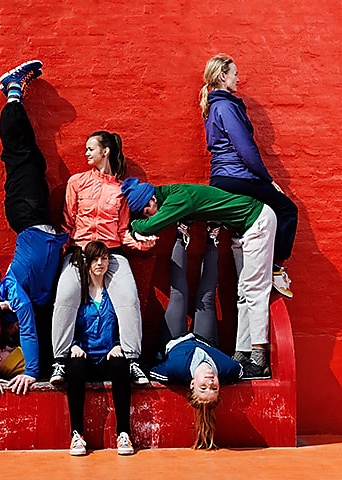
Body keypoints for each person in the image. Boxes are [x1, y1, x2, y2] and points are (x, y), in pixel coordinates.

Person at [121, 178, 276, 378]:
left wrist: (135, 225)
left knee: (255, 290)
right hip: (243, 229)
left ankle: (258, 357)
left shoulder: (177, 198)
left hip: (256, 222)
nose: (148, 214)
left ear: (151, 199)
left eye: (146, 210)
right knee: (244, 293)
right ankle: (243, 353)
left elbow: (150, 227)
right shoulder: (174, 195)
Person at [49, 110, 155, 386]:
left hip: (112, 253)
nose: (86, 153)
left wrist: (142, 243)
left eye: (90, 149)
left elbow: (122, 232)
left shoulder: (121, 191)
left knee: (129, 298)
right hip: (81, 253)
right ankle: (60, 361)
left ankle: (132, 361)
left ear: (105, 152)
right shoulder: (77, 183)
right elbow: (67, 222)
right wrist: (59, 254)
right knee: (65, 297)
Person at [0, 60, 69, 394]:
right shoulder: (35, 297)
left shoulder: (14, 290)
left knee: (20, 155)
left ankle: (12, 92)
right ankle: (12, 95)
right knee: (34, 160)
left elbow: (25, 324)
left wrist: (33, 371)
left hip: (26, 215)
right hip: (38, 217)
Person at [200, 53, 298, 299]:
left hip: (223, 176)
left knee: (247, 225)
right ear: (223, 76)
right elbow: (245, 149)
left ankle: (252, 277)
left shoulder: (216, 106)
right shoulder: (226, 106)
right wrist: (267, 180)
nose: (239, 79)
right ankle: (276, 268)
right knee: (287, 210)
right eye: (235, 74)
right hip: (236, 177)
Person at [148, 220, 243, 449]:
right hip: (206, 340)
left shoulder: (175, 371)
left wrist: (163, 357)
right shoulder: (227, 369)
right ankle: (212, 237)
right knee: (207, 296)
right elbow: (240, 371)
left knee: (179, 294)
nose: (210, 382)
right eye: (215, 388)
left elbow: (151, 369)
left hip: (174, 340)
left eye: (203, 387)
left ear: (191, 384)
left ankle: (182, 235)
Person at [65, 241, 134, 456]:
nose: (100, 263)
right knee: (74, 367)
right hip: (84, 355)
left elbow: (126, 320)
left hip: (107, 355)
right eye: (95, 259)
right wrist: (74, 345)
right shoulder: (78, 293)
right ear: (87, 263)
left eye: (104, 258)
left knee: (121, 365)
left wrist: (119, 345)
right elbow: (66, 322)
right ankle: (77, 435)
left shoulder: (114, 293)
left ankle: (124, 433)